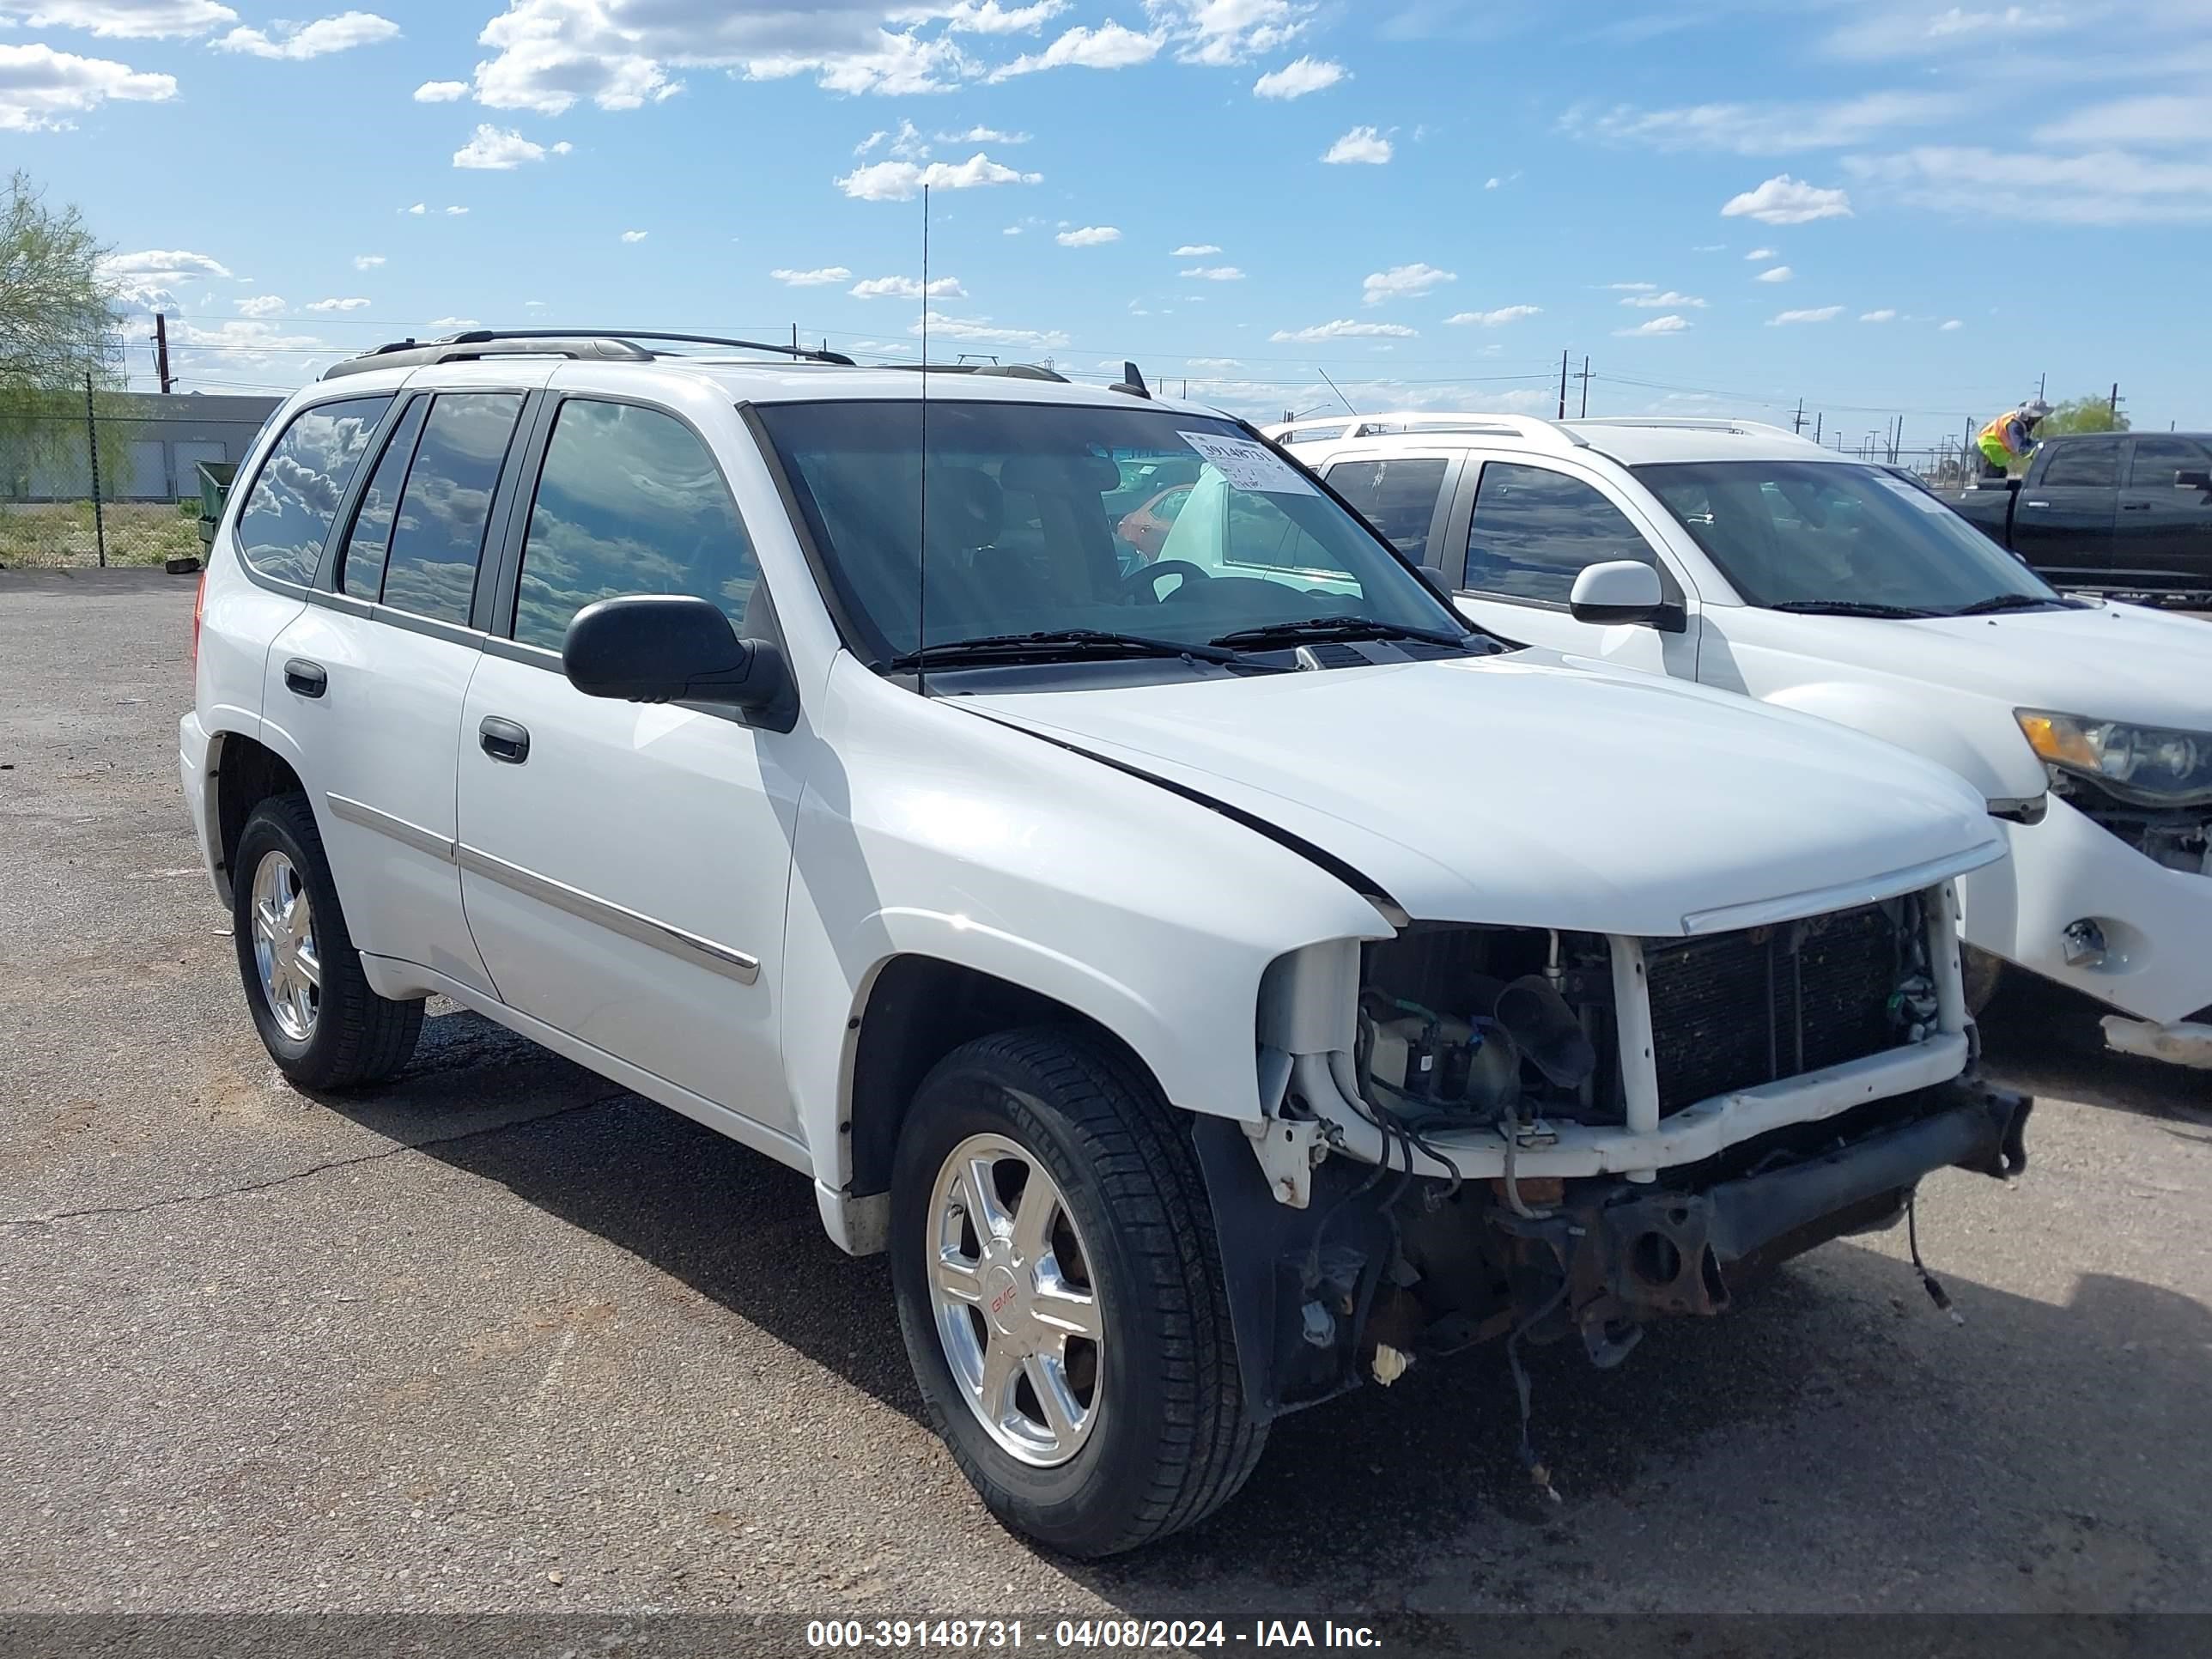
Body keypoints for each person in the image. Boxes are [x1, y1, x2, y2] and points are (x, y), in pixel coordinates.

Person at [1978, 398, 2051, 477]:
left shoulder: (2022, 423)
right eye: (2039, 417)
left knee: (1999, 479)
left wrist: (2041, 446)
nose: (2040, 419)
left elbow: (2026, 442)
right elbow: (2022, 449)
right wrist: (2039, 454)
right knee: (1989, 484)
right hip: (1986, 452)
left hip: (1995, 456)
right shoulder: (2015, 425)